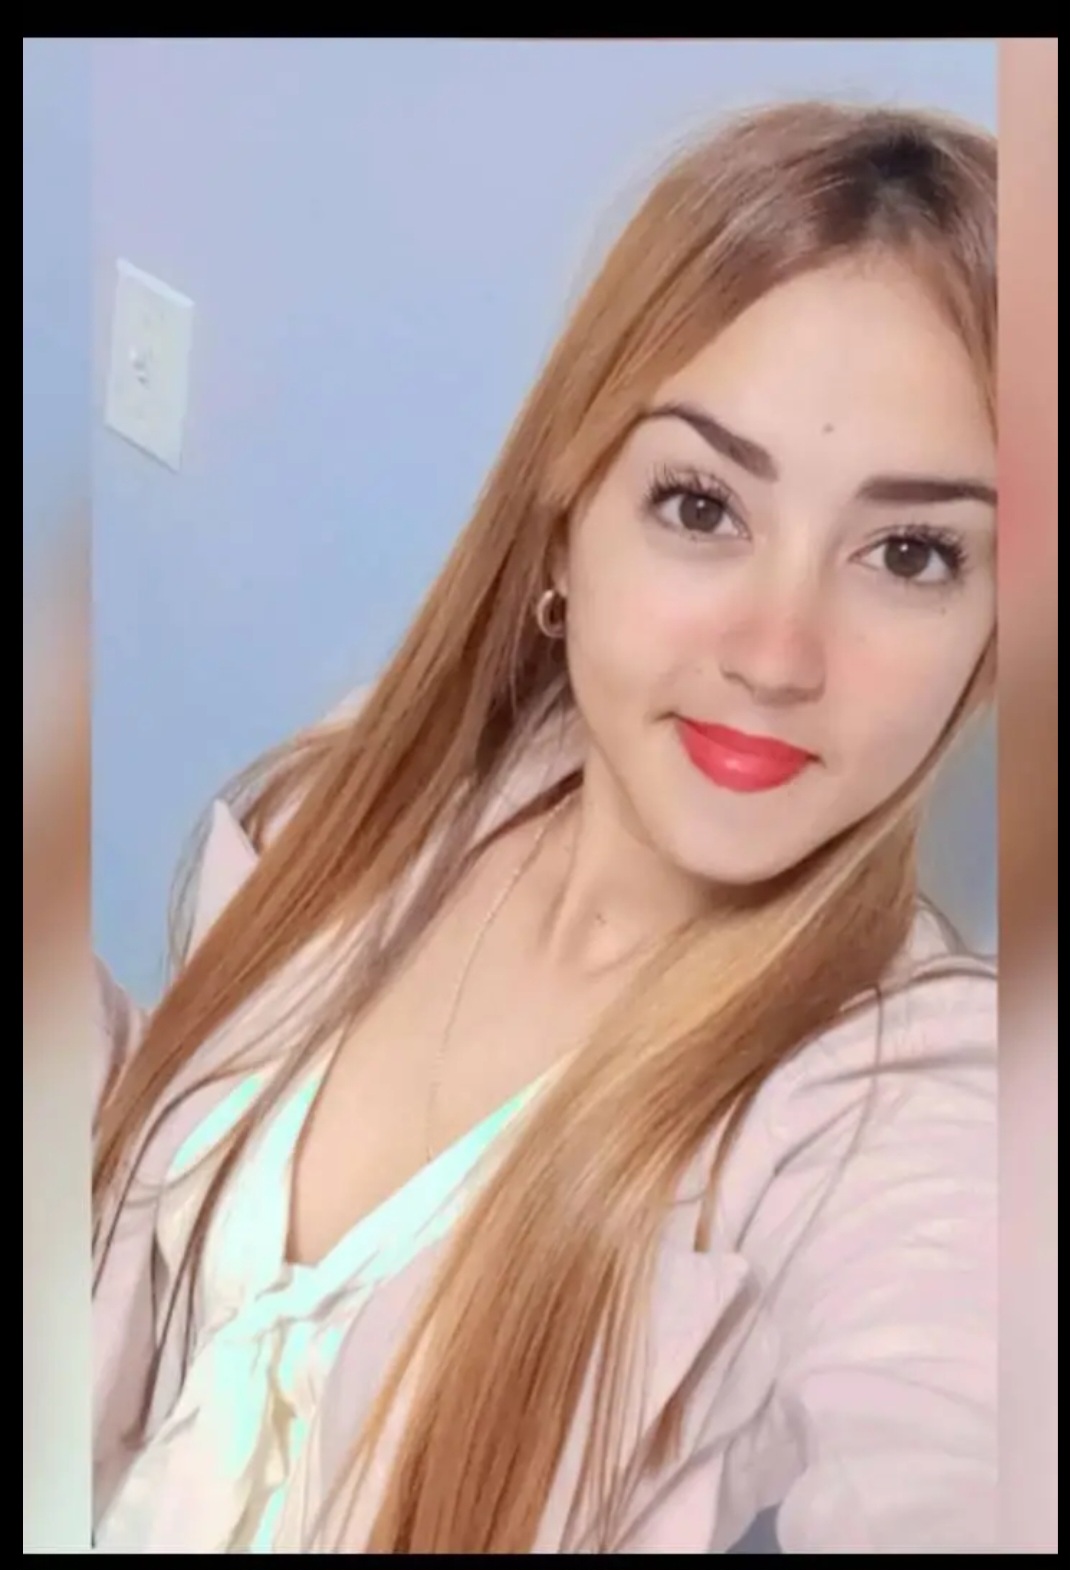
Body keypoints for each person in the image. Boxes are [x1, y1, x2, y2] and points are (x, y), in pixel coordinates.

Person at [92, 99, 997, 1554]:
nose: (777, 653)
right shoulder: (365, 799)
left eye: (910, 551)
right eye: (700, 505)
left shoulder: (898, 1096)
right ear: (566, 520)